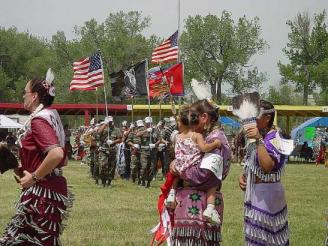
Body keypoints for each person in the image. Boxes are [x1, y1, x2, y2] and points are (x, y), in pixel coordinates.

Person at [0, 69, 73, 245]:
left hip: (42, 192)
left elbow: (56, 154)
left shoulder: (39, 119)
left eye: (25, 93)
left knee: (23, 240)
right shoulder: (52, 116)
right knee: (27, 239)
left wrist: (33, 177)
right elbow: (64, 159)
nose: (22, 97)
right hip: (49, 189)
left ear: (34, 97)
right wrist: (19, 166)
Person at [152, 99, 231, 245]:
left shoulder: (216, 139)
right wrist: (175, 163)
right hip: (192, 202)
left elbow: (205, 174)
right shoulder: (202, 136)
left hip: (202, 203)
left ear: (204, 117)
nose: (190, 121)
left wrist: (180, 171)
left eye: (194, 116)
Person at [238, 100, 289, 245]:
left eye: (255, 115)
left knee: (266, 238)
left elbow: (267, 166)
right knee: (257, 237)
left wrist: (259, 140)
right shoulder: (261, 136)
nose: (251, 119)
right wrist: (243, 176)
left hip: (267, 194)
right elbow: (253, 163)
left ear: (267, 118)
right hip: (257, 192)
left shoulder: (276, 137)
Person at [166, 106, 221, 224]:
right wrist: (216, 143)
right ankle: (210, 208)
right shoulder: (196, 135)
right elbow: (204, 148)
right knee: (214, 182)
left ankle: (171, 194)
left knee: (175, 175)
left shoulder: (177, 137)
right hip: (192, 169)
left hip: (180, 169)